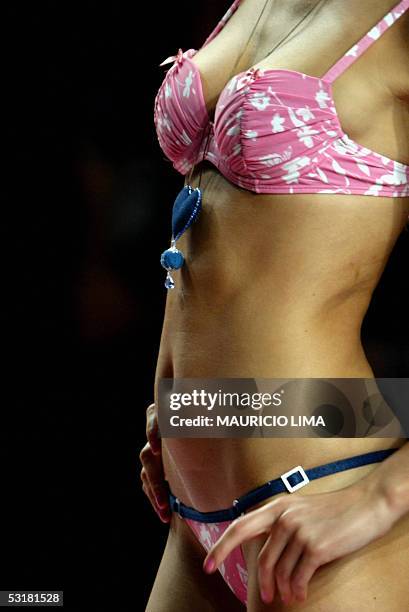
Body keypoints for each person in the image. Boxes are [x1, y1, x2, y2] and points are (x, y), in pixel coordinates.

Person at [142, 0, 409, 609]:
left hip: (321, 496)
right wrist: (180, 406)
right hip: (191, 517)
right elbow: (204, 228)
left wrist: (382, 498)